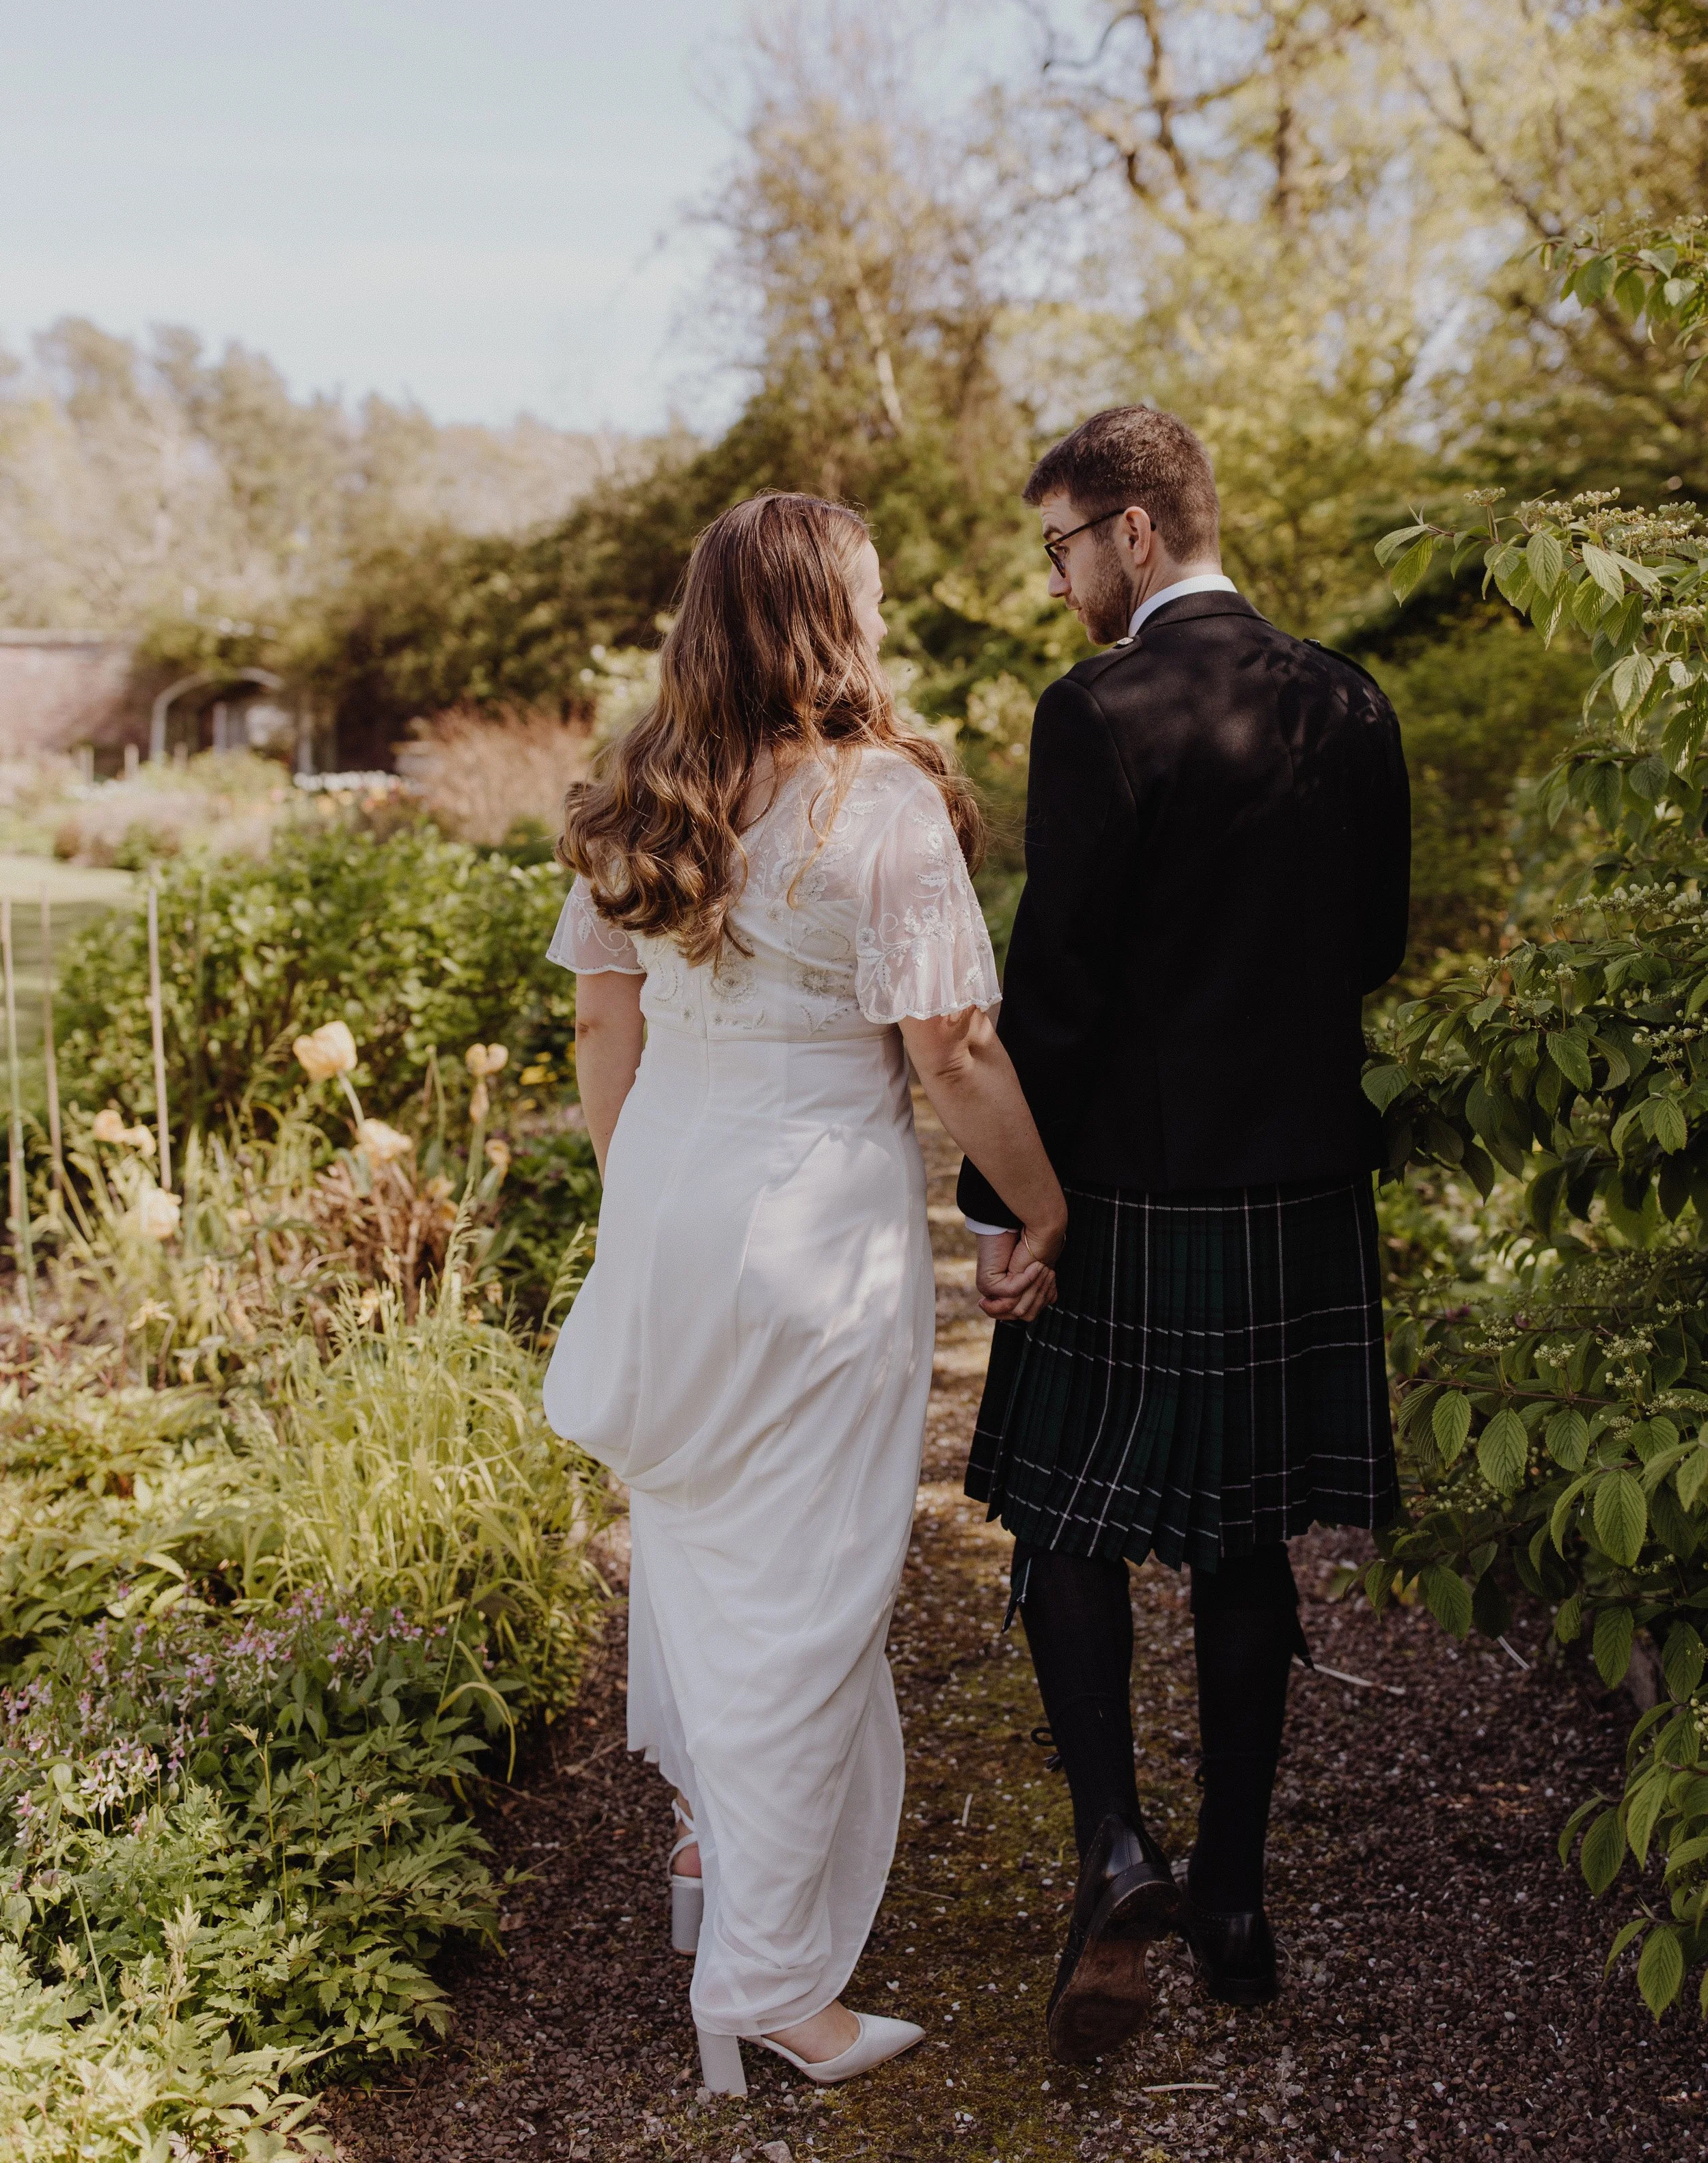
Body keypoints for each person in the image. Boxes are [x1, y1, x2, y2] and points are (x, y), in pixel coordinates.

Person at [542, 491, 1067, 2097]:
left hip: (671, 1207)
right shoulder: (880, 805)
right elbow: (952, 1051)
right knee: (814, 1596)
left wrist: (642, 1205)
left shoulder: (638, 794)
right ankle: (774, 1988)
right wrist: (1039, 1205)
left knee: (703, 1565)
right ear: (840, 619)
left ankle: (720, 1888)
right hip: (817, 1228)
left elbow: (599, 1034)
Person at [960, 404, 1410, 2061]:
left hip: (1138, 1185)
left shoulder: (1097, 711)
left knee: (1056, 1504)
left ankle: (1113, 1847)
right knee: (1243, 1532)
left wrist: (1013, 1199)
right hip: (1295, 1178)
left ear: (1135, 533)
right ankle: (1230, 1898)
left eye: (1064, 545)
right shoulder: (1345, 700)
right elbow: (1370, 938)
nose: (1059, 579)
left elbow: (1056, 984)